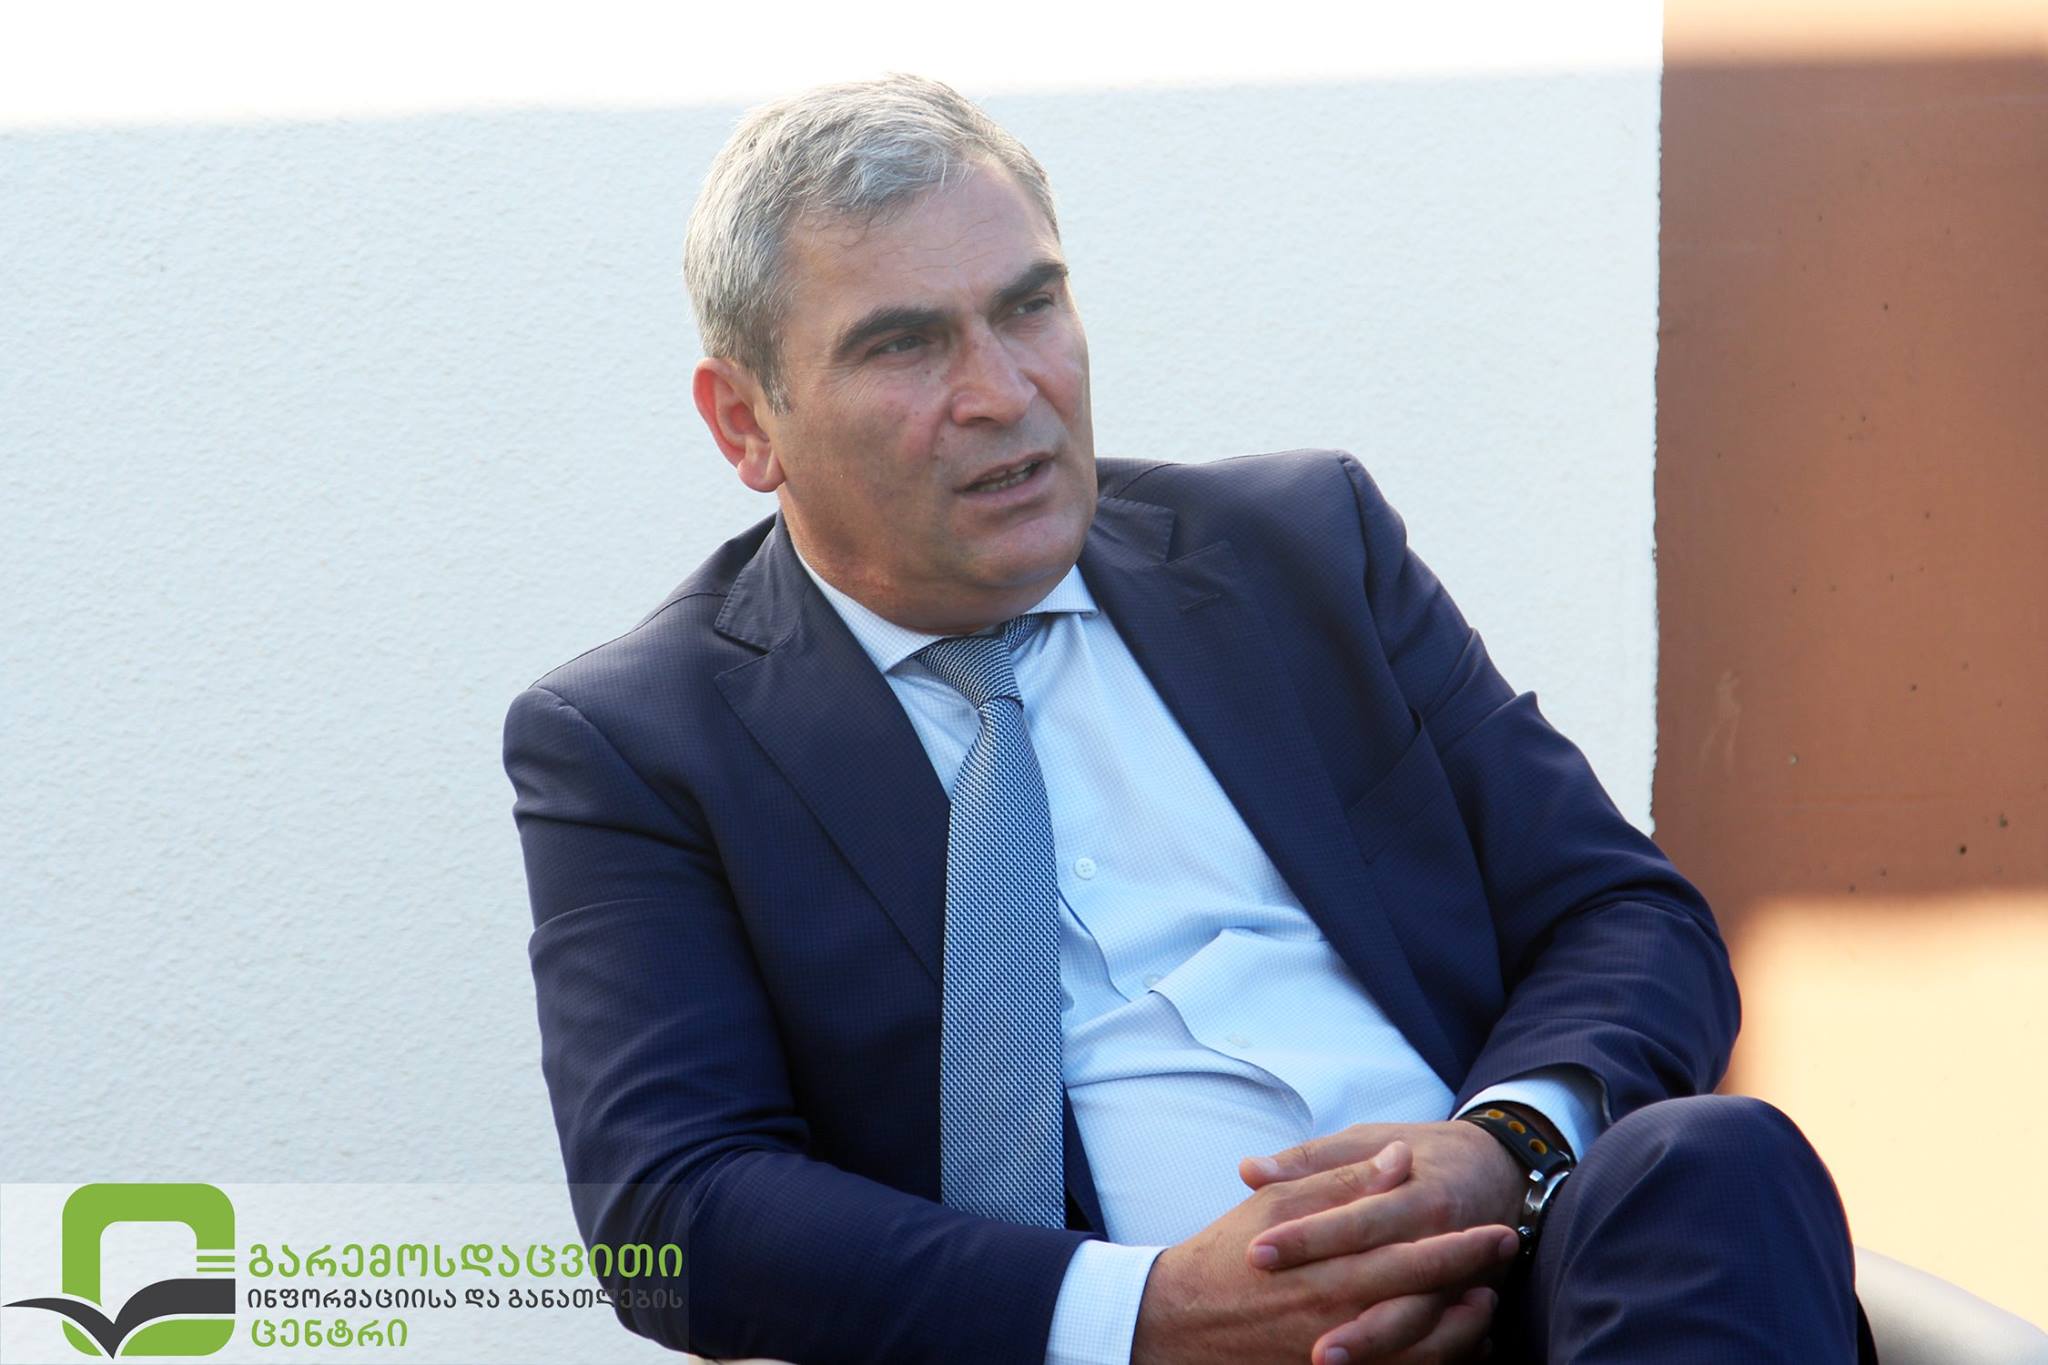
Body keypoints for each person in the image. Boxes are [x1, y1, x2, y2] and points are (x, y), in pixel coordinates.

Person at [504, 74, 1868, 1364]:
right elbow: (671, 1206)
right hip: (1116, 1339)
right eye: (904, 345)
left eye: (1029, 307)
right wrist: (1148, 1313)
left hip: (1528, 1297)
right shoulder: (639, 741)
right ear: (747, 422)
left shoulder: (1304, 549)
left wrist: (1502, 1150)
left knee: (1714, 1160)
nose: (1004, 392)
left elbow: (1624, 912)